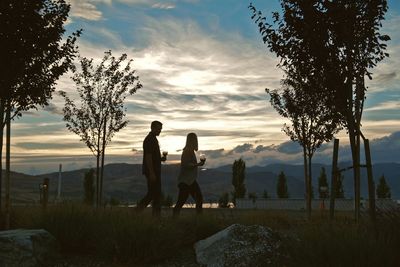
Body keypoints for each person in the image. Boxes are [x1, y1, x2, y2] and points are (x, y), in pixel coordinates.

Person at [136, 121, 166, 216]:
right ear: (153, 128)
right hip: (152, 172)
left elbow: (153, 157)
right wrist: (152, 173)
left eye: (160, 129)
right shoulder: (149, 139)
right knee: (153, 194)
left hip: (154, 171)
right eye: (158, 129)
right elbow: (148, 157)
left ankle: (155, 216)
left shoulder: (153, 139)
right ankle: (137, 212)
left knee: (155, 194)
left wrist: (161, 158)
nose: (160, 131)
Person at [173, 133, 205, 216]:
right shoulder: (187, 151)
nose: (197, 141)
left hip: (190, 181)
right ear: (193, 141)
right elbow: (186, 164)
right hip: (185, 182)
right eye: (195, 139)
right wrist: (197, 165)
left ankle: (199, 219)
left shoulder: (190, 151)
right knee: (182, 201)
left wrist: (197, 165)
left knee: (198, 199)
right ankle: (174, 219)